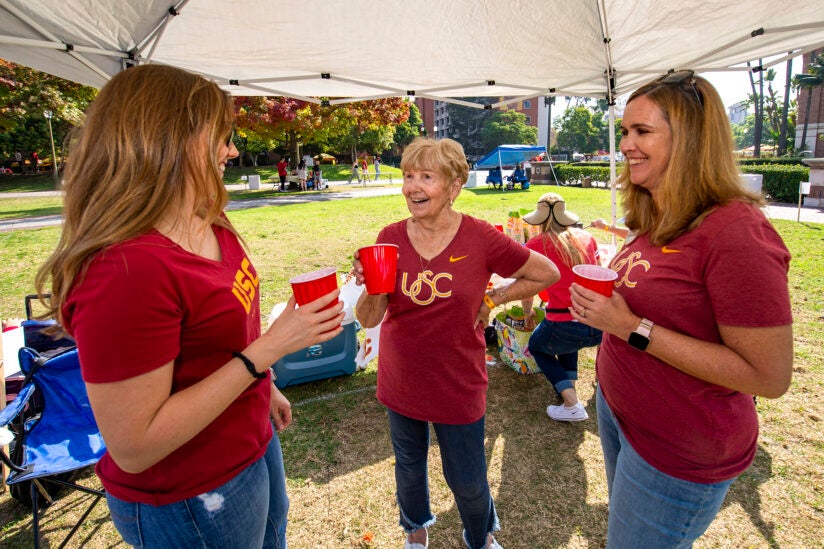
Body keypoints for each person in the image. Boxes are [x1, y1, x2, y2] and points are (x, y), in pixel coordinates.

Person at [33, 64, 344, 549]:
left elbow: (219, 342)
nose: (233, 151)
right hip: (190, 494)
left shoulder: (209, 218)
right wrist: (268, 351)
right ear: (168, 138)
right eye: (220, 137)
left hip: (251, 443)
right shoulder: (125, 268)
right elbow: (135, 446)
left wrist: (265, 387)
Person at [568, 71, 793, 547]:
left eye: (642, 132)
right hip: (620, 413)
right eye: (625, 131)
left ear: (690, 141)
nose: (626, 144)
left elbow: (768, 377)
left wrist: (630, 326)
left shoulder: (736, 232)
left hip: (679, 449)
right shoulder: (658, 214)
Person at [352, 137, 559, 549]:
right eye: (409, 176)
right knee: (409, 468)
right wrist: (373, 284)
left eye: (427, 177)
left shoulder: (480, 237)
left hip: (458, 380)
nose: (413, 186)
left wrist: (492, 298)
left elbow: (547, 273)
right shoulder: (389, 237)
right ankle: (415, 531)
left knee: (466, 476)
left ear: (454, 186)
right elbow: (369, 318)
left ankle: (479, 537)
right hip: (402, 379)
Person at [520, 192, 602, 422]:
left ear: (541, 220)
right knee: (567, 342)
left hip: (564, 323)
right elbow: (599, 274)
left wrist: (528, 313)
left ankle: (571, 403)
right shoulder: (587, 238)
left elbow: (526, 288)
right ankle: (569, 386)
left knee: (537, 345)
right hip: (597, 322)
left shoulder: (535, 245)